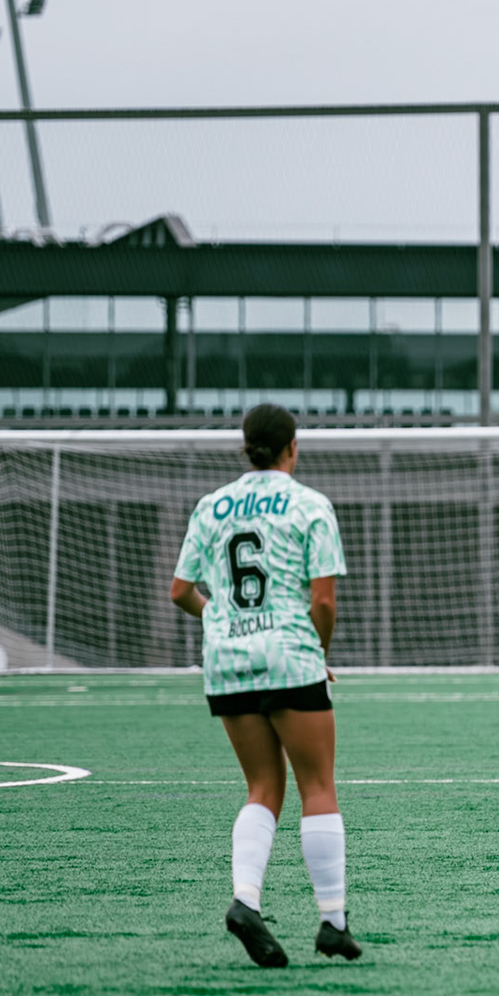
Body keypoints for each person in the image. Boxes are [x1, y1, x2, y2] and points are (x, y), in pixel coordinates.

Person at [169, 403, 361, 967]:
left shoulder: (212, 506)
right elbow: (322, 600)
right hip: (289, 656)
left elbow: (180, 590)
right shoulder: (309, 504)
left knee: (261, 787)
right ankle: (332, 922)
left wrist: (221, 622)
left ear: (245, 447)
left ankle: (245, 901)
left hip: (227, 661)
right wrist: (316, 654)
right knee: (318, 787)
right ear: (292, 447)